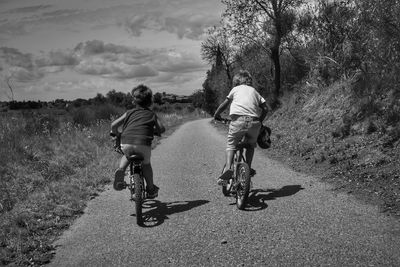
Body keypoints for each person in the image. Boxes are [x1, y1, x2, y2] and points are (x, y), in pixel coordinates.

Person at [214, 70, 268, 185]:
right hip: (253, 123)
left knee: (231, 145)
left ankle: (228, 168)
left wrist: (216, 115)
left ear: (237, 81)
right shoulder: (254, 91)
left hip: (239, 121)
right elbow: (266, 108)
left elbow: (225, 103)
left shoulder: (235, 89)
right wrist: (259, 121)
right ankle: (247, 168)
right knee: (250, 145)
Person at [110, 84, 165, 198]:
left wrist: (115, 133)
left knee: (126, 155)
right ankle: (150, 189)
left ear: (134, 101)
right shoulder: (151, 114)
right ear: (150, 101)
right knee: (146, 164)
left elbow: (113, 125)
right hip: (143, 144)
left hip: (127, 141)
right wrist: (155, 131)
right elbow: (162, 129)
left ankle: (121, 169)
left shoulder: (129, 112)